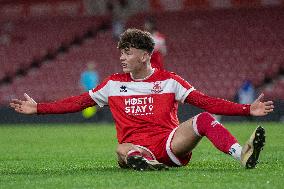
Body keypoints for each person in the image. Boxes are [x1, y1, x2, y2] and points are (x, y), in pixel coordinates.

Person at [10, 28, 274, 171]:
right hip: (139, 147)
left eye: (128, 52)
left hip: (171, 144)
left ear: (146, 56)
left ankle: (242, 153)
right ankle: (145, 163)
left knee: (203, 119)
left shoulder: (169, 80)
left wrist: (246, 108)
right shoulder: (113, 84)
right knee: (122, 150)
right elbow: (78, 102)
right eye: (121, 53)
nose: (122, 58)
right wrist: (39, 109)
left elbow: (207, 103)